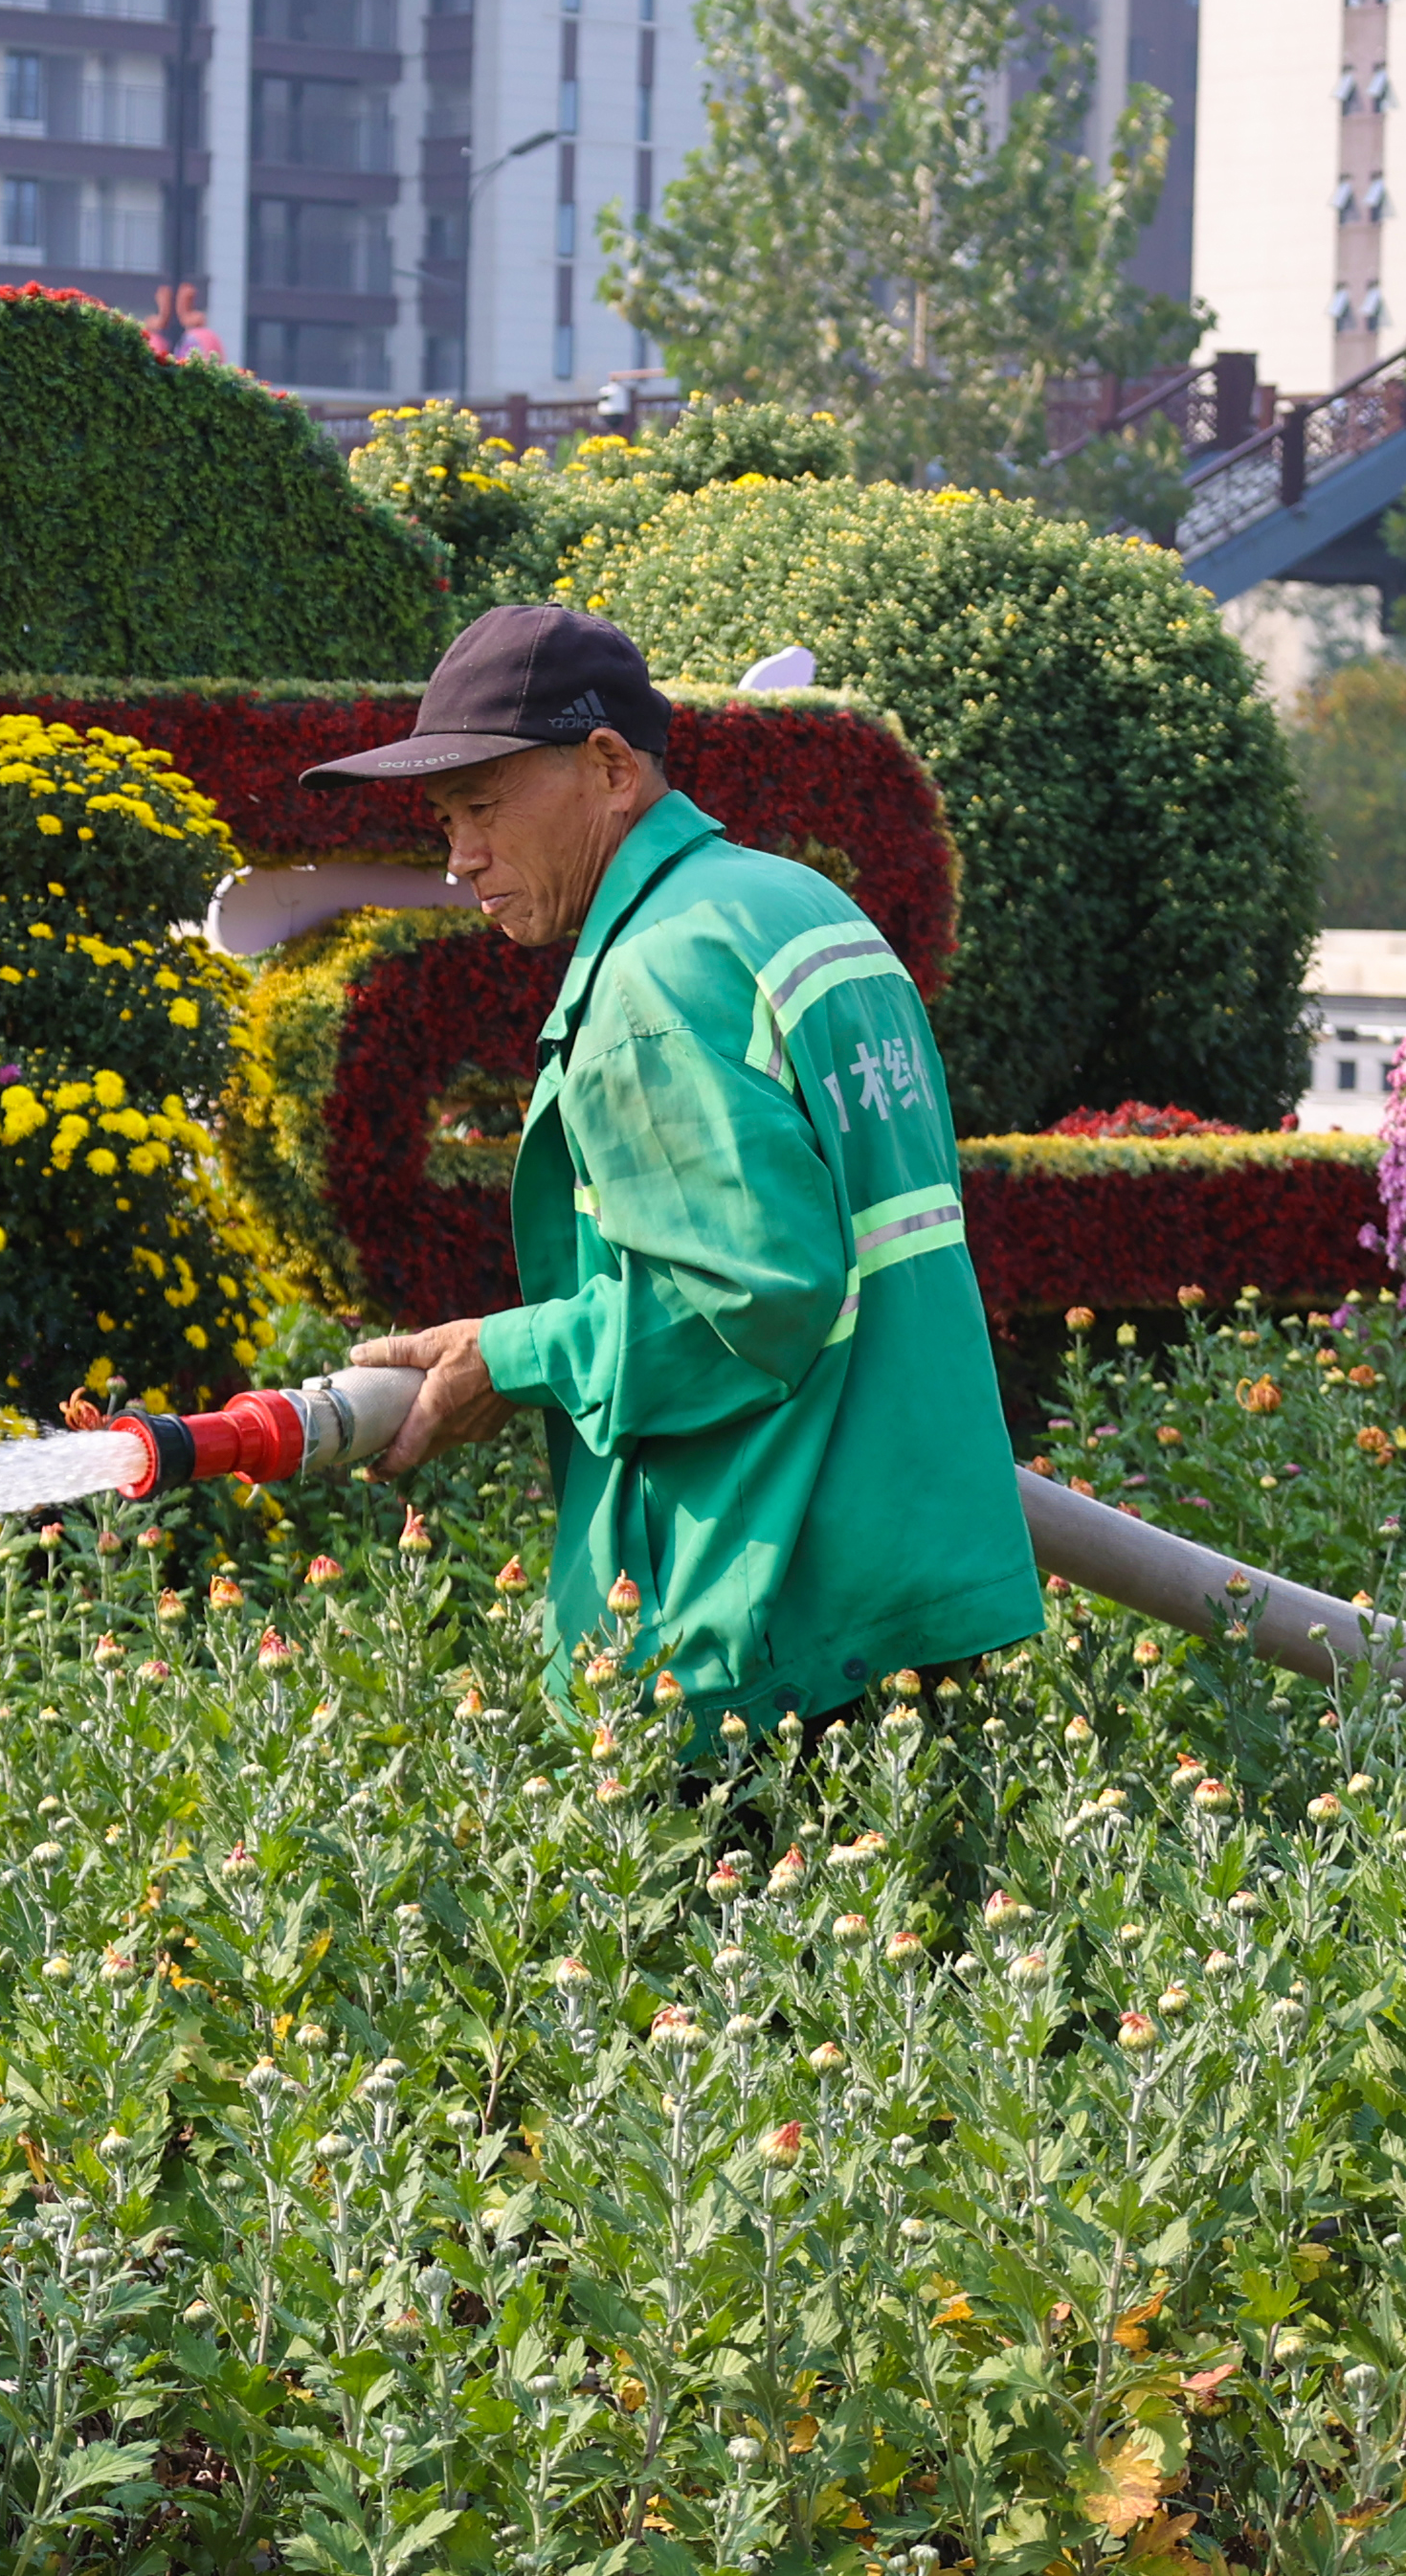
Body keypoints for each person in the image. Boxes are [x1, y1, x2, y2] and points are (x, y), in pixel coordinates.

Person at [315, 603, 1038, 1735]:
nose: (460, 861)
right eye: (445, 821)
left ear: (607, 766)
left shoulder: (651, 983)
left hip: (773, 1629)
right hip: (909, 1590)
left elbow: (748, 1303)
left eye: (484, 809)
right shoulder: (795, 906)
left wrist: (504, 1356)